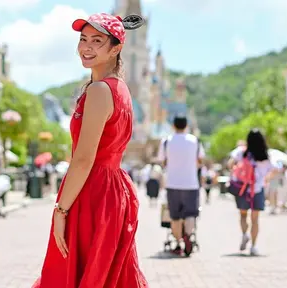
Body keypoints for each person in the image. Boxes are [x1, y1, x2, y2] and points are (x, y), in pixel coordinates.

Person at [32, 13, 148, 288]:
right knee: (107, 274)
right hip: (113, 191)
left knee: (73, 272)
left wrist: (60, 211)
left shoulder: (99, 90)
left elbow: (83, 159)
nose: (86, 47)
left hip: (93, 191)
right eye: (83, 39)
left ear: (116, 48)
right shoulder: (121, 89)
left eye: (97, 41)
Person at [158, 115, 205, 256]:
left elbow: (162, 161)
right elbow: (200, 161)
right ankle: (188, 236)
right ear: (186, 125)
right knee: (191, 213)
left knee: (175, 216)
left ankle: (178, 243)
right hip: (191, 183)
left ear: (173, 125)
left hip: (173, 183)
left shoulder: (166, 141)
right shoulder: (194, 141)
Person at [229, 129, 278, 255]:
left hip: (243, 188)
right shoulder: (266, 156)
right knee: (255, 219)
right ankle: (254, 246)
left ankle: (245, 234)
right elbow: (275, 170)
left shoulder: (242, 152)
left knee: (243, 215)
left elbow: (230, 164)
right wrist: (265, 178)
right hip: (257, 189)